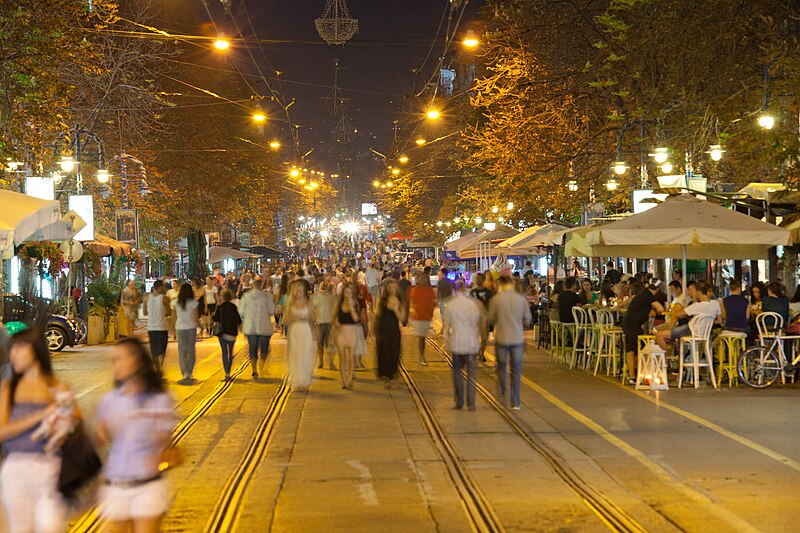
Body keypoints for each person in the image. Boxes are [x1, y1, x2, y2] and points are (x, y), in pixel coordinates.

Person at [95, 338, 175, 533]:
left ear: (138, 361)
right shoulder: (110, 401)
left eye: (121, 359)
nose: (116, 365)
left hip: (147, 487)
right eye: (114, 360)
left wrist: (159, 459)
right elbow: (100, 440)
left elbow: (169, 448)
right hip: (115, 486)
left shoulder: (158, 400)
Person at [0, 329, 74, 533]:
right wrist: (42, 415)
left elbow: (72, 431)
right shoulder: (9, 387)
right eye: (11, 348)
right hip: (15, 468)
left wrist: (62, 424)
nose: (12, 354)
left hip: (50, 468)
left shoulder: (58, 387)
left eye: (19, 348)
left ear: (36, 351)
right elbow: (2, 430)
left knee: (51, 527)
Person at [488, 276, 532, 410]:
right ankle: (515, 402)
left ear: (501, 284)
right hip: (517, 338)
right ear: (513, 284)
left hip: (501, 337)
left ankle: (501, 397)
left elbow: (491, 319)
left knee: (501, 369)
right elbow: (527, 320)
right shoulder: (521, 299)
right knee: (516, 370)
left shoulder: (497, 299)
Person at [443, 280, 486, 410]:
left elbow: (447, 326)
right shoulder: (474, 304)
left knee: (457, 373)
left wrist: (445, 342)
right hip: (471, 343)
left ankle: (459, 400)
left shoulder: (450, 305)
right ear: (465, 288)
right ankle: (471, 402)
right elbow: (480, 321)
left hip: (457, 343)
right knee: (471, 374)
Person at [656, 281, 721, 351]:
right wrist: (707, 321)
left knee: (659, 335)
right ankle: (676, 345)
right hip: (705, 333)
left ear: (698, 293)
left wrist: (695, 299)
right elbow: (719, 320)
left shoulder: (696, 306)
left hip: (690, 331)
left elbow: (677, 314)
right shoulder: (716, 303)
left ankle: (667, 356)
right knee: (670, 334)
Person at [621, 282, 665, 385]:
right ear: (657, 290)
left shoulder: (641, 295)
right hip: (634, 326)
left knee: (631, 350)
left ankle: (632, 377)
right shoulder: (648, 295)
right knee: (643, 350)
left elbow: (649, 312)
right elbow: (660, 309)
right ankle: (645, 374)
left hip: (627, 323)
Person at [283, 281, 316, 391]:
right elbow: (286, 320)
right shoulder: (291, 305)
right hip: (295, 330)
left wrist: (307, 318)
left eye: (301, 291)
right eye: (298, 291)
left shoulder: (308, 304)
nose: (300, 293)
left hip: (305, 330)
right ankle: (297, 379)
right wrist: (295, 318)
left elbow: (313, 318)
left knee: (305, 354)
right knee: (296, 354)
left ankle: (305, 380)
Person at [239, 280, 275, 378]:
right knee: (264, 349)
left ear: (252, 286)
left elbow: (241, 312)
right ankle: (261, 366)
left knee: (252, 349)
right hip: (264, 327)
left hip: (251, 327)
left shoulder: (245, 297)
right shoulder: (267, 297)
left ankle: (254, 370)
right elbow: (272, 311)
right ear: (261, 286)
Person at [374, 281, 406, 388]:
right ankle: (386, 377)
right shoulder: (383, 300)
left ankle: (392, 375)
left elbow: (403, 319)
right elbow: (378, 314)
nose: (393, 289)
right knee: (384, 353)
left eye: (394, 287)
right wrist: (374, 328)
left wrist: (396, 309)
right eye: (390, 287)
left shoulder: (400, 301)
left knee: (394, 353)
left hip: (393, 331)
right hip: (383, 330)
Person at [335, 283, 362, 390]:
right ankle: (343, 380)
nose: (348, 294)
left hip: (352, 333)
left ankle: (349, 379)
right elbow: (336, 319)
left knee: (351, 359)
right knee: (342, 359)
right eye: (346, 292)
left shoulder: (355, 304)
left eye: (350, 293)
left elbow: (356, 319)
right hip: (341, 334)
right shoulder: (339, 304)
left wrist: (351, 308)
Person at [409, 272, 437, 366]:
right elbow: (411, 303)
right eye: (422, 278)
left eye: (425, 278)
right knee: (422, 338)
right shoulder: (415, 290)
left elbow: (433, 302)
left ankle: (421, 355)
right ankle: (421, 356)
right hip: (418, 317)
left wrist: (431, 313)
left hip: (426, 317)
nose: (424, 280)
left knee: (422, 337)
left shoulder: (429, 290)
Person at [213, 290, 241, 381]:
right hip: (232, 333)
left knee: (224, 353)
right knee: (230, 353)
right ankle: (229, 369)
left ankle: (227, 373)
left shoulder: (220, 307)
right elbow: (239, 320)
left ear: (222, 297)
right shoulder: (233, 307)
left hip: (222, 333)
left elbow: (215, 318)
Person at [145, 280, 170, 373]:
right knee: (162, 350)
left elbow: (144, 312)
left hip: (151, 328)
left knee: (154, 351)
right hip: (162, 327)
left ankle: (158, 369)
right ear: (160, 287)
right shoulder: (164, 298)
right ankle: (160, 367)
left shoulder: (146, 298)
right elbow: (169, 312)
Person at [175, 283, 199, 381]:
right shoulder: (193, 302)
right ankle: (189, 370)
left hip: (179, 327)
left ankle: (183, 370)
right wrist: (200, 325)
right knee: (191, 350)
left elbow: (174, 316)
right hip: (191, 327)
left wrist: (171, 328)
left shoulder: (177, 302)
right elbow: (196, 317)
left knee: (182, 350)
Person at [311, 282, 337, 370]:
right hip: (320, 323)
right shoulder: (316, 297)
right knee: (320, 344)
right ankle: (321, 361)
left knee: (329, 344)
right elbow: (313, 309)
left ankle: (330, 362)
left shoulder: (331, 297)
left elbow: (335, 309)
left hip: (329, 322)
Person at [470, 273, 494, 363]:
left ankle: (481, 353)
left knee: (484, 338)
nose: (478, 280)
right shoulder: (472, 292)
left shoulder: (488, 292)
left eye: (479, 278)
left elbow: (491, 304)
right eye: (477, 278)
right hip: (474, 317)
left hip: (484, 317)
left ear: (483, 280)